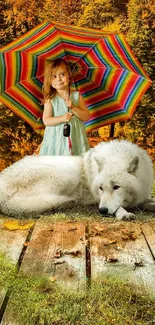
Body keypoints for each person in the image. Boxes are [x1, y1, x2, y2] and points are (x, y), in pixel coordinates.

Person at [39, 58, 90, 156]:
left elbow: (86, 116)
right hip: (56, 139)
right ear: (49, 80)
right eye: (54, 76)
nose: (58, 79)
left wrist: (73, 107)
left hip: (76, 137)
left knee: (76, 163)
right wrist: (62, 118)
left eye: (62, 74)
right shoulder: (50, 99)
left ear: (69, 76)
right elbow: (47, 120)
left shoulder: (76, 96)